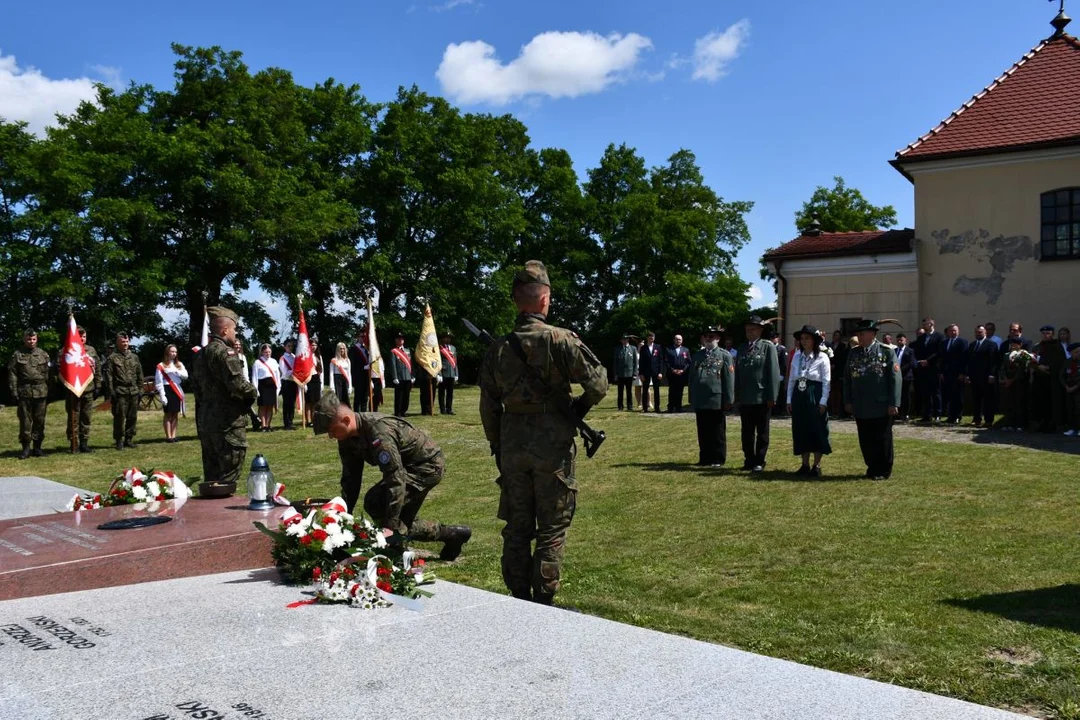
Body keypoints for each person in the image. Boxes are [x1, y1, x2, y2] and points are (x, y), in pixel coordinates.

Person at [479, 260, 609, 605]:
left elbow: (488, 406)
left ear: (516, 301)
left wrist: (497, 444)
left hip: (512, 446)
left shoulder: (498, 348)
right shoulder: (561, 340)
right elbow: (598, 384)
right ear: (544, 300)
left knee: (518, 527)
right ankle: (544, 601)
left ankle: (518, 595)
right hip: (551, 447)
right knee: (551, 528)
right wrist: (576, 410)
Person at [312, 392, 472, 559]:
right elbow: (350, 480)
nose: (331, 436)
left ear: (345, 420)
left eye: (331, 430)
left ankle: (395, 550)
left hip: (426, 466)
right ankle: (452, 535)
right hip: (405, 468)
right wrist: (344, 517)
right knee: (390, 513)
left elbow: (395, 479)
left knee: (381, 503)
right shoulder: (346, 438)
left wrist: (389, 527)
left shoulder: (379, 431)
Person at [194, 306, 260, 491]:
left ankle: (210, 514)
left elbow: (197, 390)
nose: (235, 332)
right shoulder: (226, 353)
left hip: (206, 421)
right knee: (227, 479)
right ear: (224, 330)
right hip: (228, 423)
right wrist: (253, 392)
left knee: (211, 475)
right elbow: (238, 385)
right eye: (234, 329)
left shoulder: (200, 355)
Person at [843, 320, 901, 480]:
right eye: (858, 334)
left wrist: (894, 403)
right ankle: (872, 467)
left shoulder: (886, 351)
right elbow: (847, 379)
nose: (859, 337)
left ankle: (884, 469)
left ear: (873, 334)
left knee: (882, 438)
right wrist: (848, 401)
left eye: (862, 333)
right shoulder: (854, 353)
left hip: (881, 404)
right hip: (860, 404)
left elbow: (895, 379)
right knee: (865, 439)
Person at [734, 315, 781, 473]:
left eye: (753, 329)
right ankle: (749, 459)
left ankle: (760, 460)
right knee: (746, 433)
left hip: (762, 397)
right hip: (746, 397)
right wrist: (737, 394)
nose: (750, 332)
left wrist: (772, 396)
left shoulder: (767, 347)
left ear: (760, 330)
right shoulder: (741, 348)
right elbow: (738, 374)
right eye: (747, 329)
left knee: (762, 432)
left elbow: (773, 373)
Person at [786, 325, 832, 477]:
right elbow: (792, 378)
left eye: (807, 338)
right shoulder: (797, 356)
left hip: (815, 392)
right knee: (801, 427)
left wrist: (823, 401)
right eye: (802, 338)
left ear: (814, 340)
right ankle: (804, 464)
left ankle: (816, 465)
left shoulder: (822, 357)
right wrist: (789, 399)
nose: (804, 341)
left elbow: (826, 381)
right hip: (799, 393)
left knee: (817, 427)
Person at [688, 326, 734, 466]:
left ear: (718, 339)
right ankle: (705, 458)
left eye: (711, 337)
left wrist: (729, 399)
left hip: (716, 398)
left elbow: (729, 379)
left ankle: (718, 458)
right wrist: (692, 397)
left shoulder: (724, 355)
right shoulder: (697, 356)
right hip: (701, 398)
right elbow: (692, 379)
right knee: (703, 430)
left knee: (717, 431)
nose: (708, 339)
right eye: (706, 336)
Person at [8, 329, 50, 459]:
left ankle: (37, 448)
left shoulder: (44, 354)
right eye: (28, 339)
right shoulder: (17, 355)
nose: (31, 341)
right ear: (24, 339)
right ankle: (26, 448)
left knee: (40, 421)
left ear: (36, 340)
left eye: (33, 339)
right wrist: (14, 391)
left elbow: (47, 374)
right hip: (24, 391)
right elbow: (12, 374)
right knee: (25, 421)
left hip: (40, 391)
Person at [63, 326, 100, 453]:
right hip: (73, 390)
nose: (82, 339)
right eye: (80, 336)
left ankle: (84, 443)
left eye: (84, 336)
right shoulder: (66, 350)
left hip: (88, 389)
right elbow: (60, 371)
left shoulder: (91, 350)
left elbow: (97, 368)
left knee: (86, 417)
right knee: (73, 418)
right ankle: (74, 443)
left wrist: (98, 385)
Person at [106, 332, 142, 450]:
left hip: (133, 391)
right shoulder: (112, 358)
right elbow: (109, 376)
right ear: (118, 343)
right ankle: (119, 440)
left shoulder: (134, 357)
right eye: (123, 342)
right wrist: (111, 391)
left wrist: (140, 389)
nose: (125, 344)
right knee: (119, 417)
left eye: (127, 342)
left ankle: (129, 438)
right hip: (120, 391)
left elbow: (139, 374)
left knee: (132, 417)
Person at [1032, 325, 1066, 433]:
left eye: (1048, 333)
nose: (1045, 335)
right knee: (1039, 402)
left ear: (1052, 334)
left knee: (1052, 402)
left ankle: (1052, 424)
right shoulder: (1038, 346)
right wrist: (1037, 366)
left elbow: (1060, 361)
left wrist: (1048, 367)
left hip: (1052, 379)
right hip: (1039, 379)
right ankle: (1041, 423)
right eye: (1044, 333)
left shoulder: (1057, 345)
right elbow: (1032, 359)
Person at [911, 317, 944, 423]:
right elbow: (916, 352)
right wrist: (919, 361)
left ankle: (937, 414)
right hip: (923, 369)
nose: (923, 326)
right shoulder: (921, 338)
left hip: (934, 368)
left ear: (931, 324)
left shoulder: (939, 337)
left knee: (936, 392)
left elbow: (939, 352)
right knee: (925, 393)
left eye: (925, 324)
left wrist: (928, 361)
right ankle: (927, 414)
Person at [965, 325, 998, 428]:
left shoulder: (991, 344)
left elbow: (994, 361)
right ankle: (977, 419)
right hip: (975, 377)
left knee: (988, 399)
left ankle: (988, 420)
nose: (978, 334)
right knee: (976, 399)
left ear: (985, 333)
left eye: (980, 332)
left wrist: (992, 374)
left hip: (986, 377)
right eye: (977, 332)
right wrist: (968, 375)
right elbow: (969, 362)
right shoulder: (972, 345)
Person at [154, 344, 188, 443]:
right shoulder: (161, 365)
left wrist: (175, 371)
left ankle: (174, 435)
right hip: (167, 389)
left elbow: (185, 376)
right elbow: (159, 381)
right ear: (167, 352)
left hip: (176, 389)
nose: (174, 353)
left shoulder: (179, 364)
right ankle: (168, 437)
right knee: (168, 414)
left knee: (175, 414)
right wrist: (162, 395)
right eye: (172, 351)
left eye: (175, 352)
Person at [999, 337, 1032, 431]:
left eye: (1015, 344)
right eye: (1012, 344)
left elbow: (1022, 369)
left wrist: (1013, 380)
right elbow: (1002, 368)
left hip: (1019, 382)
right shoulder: (1006, 355)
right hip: (1008, 382)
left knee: (1019, 403)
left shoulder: (1023, 354)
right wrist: (1005, 379)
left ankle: (1020, 424)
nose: (1013, 346)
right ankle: (1009, 423)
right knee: (1009, 403)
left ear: (1020, 345)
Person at [939, 324, 968, 424]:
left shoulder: (962, 342)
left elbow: (964, 359)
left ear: (958, 331)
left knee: (958, 396)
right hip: (947, 374)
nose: (953, 332)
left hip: (957, 374)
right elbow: (942, 359)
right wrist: (941, 372)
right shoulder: (944, 342)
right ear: (947, 332)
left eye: (955, 330)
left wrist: (962, 373)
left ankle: (958, 416)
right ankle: (951, 415)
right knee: (949, 396)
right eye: (951, 331)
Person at [251, 343, 280, 432]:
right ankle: (263, 425)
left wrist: (278, 386)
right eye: (266, 352)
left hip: (272, 386)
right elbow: (254, 377)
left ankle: (268, 425)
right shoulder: (257, 362)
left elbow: (277, 375)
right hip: (262, 386)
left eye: (269, 352)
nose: (268, 354)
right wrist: (256, 389)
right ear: (262, 352)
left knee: (270, 406)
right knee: (263, 406)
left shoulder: (274, 361)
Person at [387, 331, 414, 417]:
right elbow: (393, 365)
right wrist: (395, 377)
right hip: (399, 377)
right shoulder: (393, 351)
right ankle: (398, 412)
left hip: (408, 376)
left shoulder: (407, 351)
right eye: (399, 339)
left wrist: (412, 375)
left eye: (402, 339)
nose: (400, 340)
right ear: (396, 340)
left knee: (406, 396)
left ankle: (403, 411)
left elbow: (411, 364)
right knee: (399, 396)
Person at [664, 334, 692, 413]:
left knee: (680, 391)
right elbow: (666, 361)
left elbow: (688, 362)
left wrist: (683, 370)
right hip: (672, 374)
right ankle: (670, 407)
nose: (678, 341)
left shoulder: (685, 350)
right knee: (672, 391)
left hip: (682, 375)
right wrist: (673, 370)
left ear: (682, 341)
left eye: (679, 339)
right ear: (674, 340)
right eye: (676, 339)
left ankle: (678, 407)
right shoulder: (669, 349)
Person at [613, 334, 638, 411]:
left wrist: (634, 373)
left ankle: (629, 406)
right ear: (621, 340)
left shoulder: (633, 348)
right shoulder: (618, 349)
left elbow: (635, 362)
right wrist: (615, 374)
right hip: (620, 374)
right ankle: (620, 406)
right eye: (623, 339)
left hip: (630, 373)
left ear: (628, 340)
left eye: (626, 339)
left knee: (629, 391)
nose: (624, 341)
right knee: (620, 391)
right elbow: (615, 363)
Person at [638, 331, 662, 412]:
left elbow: (660, 361)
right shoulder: (643, 348)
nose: (651, 339)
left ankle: (657, 407)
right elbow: (641, 361)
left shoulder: (658, 347)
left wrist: (660, 372)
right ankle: (645, 408)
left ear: (654, 338)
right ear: (647, 338)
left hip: (656, 372)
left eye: (652, 337)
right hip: (645, 372)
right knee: (645, 390)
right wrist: (640, 373)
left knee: (656, 390)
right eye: (649, 337)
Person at [348, 328, 370, 413]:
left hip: (366, 376)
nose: (363, 338)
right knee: (358, 397)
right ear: (358, 337)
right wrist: (363, 368)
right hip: (358, 376)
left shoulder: (367, 349)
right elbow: (352, 365)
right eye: (362, 336)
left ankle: (364, 413)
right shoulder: (354, 349)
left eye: (365, 336)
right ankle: (356, 413)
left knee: (365, 397)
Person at [278, 339, 298, 430]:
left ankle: (291, 421)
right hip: (286, 382)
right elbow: (284, 373)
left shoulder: (294, 356)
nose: (290, 348)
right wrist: (294, 371)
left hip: (293, 382)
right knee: (287, 404)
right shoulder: (282, 358)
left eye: (291, 346)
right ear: (285, 347)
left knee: (292, 403)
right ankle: (287, 423)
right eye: (288, 346)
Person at [1061, 342, 1080, 436]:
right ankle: (1072, 428)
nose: (1078, 354)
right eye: (1076, 352)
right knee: (1070, 409)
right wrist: (1066, 386)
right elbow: (1061, 375)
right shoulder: (1067, 362)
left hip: (1078, 389)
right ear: (1071, 352)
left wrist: (1075, 387)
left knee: (1078, 409)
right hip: (1069, 389)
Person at [895, 334, 914, 422]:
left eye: (901, 340)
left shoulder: (910, 351)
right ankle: (899, 413)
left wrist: (900, 371)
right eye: (898, 340)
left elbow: (910, 363)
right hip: (896, 377)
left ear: (905, 341)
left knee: (906, 396)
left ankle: (906, 414)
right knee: (898, 396)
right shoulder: (894, 351)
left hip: (906, 377)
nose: (899, 342)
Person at [304, 339, 323, 426]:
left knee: (315, 401)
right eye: (312, 345)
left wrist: (321, 382)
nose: (313, 347)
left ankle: (314, 419)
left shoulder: (318, 356)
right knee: (308, 401)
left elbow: (321, 370)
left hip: (316, 379)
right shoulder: (305, 356)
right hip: (308, 379)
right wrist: (304, 383)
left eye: (315, 345)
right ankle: (308, 421)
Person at [438, 333, 459, 415]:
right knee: (442, 392)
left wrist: (456, 373)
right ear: (443, 339)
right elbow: (438, 361)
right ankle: (442, 409)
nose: (447, 339)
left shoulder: (453, 348)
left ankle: (449, 408)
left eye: (449, 338)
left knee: (450, 392)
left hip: (451, 373)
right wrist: (439, 374)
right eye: (446, 338)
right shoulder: (439, 348)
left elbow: (455, 361)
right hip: (443, 373)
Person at [771, 334, 789, 417]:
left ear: (777, 339)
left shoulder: (781, 349)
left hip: (779, 374)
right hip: (771, 375)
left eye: (774, 338)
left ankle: (780, 410)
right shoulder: (769, 348)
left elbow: (784, 363)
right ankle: (772, 409)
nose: (773, 339)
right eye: (772, 338)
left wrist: (782, 374)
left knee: (780, 393)